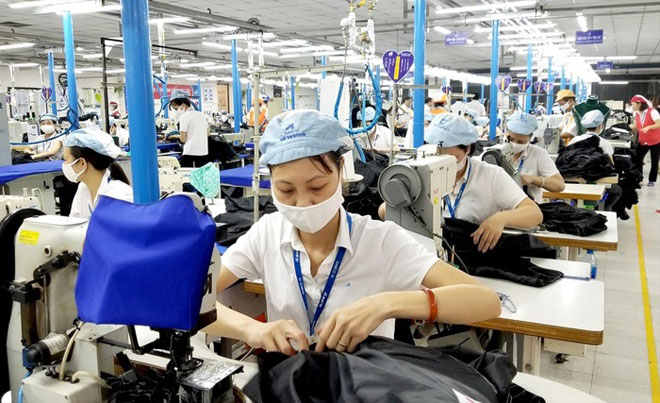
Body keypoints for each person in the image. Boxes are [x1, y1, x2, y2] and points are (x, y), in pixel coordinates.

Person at [205, 109, 501, 355]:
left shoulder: (381, 241)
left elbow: (486, 301)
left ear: (341, 172)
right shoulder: (267, 234)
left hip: (361, 385)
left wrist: (387, 304)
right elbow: (191, 299)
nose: (303, 203)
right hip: (294, 381)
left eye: (317, 186)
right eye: (286, 190)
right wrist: (252, 329)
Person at [424, 114, 543, 253]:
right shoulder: (422, 175)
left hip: (474, 255)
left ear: (467, 149)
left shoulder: (491, 175)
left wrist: (500, 219)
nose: (442, 163)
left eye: (451, 158)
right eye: (437, 156)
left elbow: (534, 213)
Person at [63, 128, 133, 219]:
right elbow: (74, 222)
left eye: (65, 159)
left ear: (82, 163)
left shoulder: (119, 195)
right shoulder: (83, 187)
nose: (64, 164)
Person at [505, 111, 565, 202]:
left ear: (530, 137)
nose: (514, 144)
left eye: (520, 142)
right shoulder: (493, 153)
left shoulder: (539, 154)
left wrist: (532, 179)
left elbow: (559, 185)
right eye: (511, 139)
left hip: (529, 207)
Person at [570, 110, 623, 210]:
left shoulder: (575, 140)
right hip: (596, 180)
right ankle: (605, 210)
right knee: (617, 191)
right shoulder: (604, 143)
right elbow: (611, 165)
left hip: (575, 181)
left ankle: (576, 206)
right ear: (601, 126)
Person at [168, 90, 209, 167]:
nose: (176, 112)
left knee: (187, 174)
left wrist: (175, 136)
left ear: (183, 105)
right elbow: (207, 134)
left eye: (176, 109)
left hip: (190, 153)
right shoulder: (201, 115)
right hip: (204, 153)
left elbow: (183, 139)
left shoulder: (184, 117)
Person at [630, 95, 660, 186]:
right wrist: (627, 127)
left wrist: (649, 127)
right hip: (643, 140)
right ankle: (639, 178)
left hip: (655, 140)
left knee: (654, 160)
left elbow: (658, 123)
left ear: (639, 104)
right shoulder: (636, 113)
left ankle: (652, 180)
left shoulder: (653, 112)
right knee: (638, 159)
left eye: (633, 104)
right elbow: (637, 125)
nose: (632, 106)